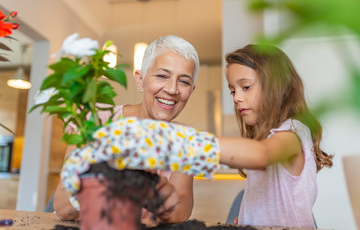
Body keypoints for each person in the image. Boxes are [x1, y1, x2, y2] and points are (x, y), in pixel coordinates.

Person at [53, 35, 199, 225]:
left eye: (184, 81)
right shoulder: (96, 121)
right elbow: (63, 206)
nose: (172, 89)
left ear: (191, 91)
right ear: (140, 80)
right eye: (162, 76)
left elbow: (183, 206)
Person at [216, 44, 333, 228]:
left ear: (276, 86)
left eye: (245, 87)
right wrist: (249, 218)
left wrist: (192, 144)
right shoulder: (267, 139)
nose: (236, 97)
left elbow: (262, 155)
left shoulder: (293, 133)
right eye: (233, 91)